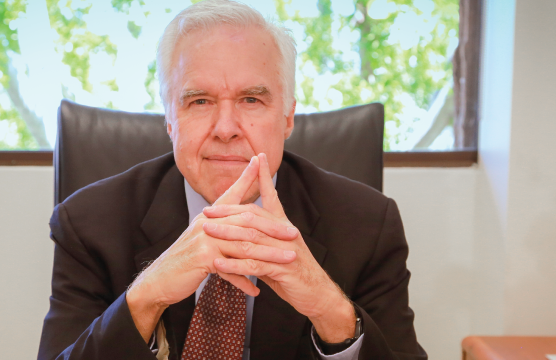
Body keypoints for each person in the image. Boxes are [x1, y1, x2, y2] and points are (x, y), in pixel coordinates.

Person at [37, 1, 426, 359]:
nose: (225, 129)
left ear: (288, 117)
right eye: (199, 101)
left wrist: (329, 308)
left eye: (251, 100)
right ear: (170, 119)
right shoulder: (88, 223)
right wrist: (145, 298)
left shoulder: (369, 224)